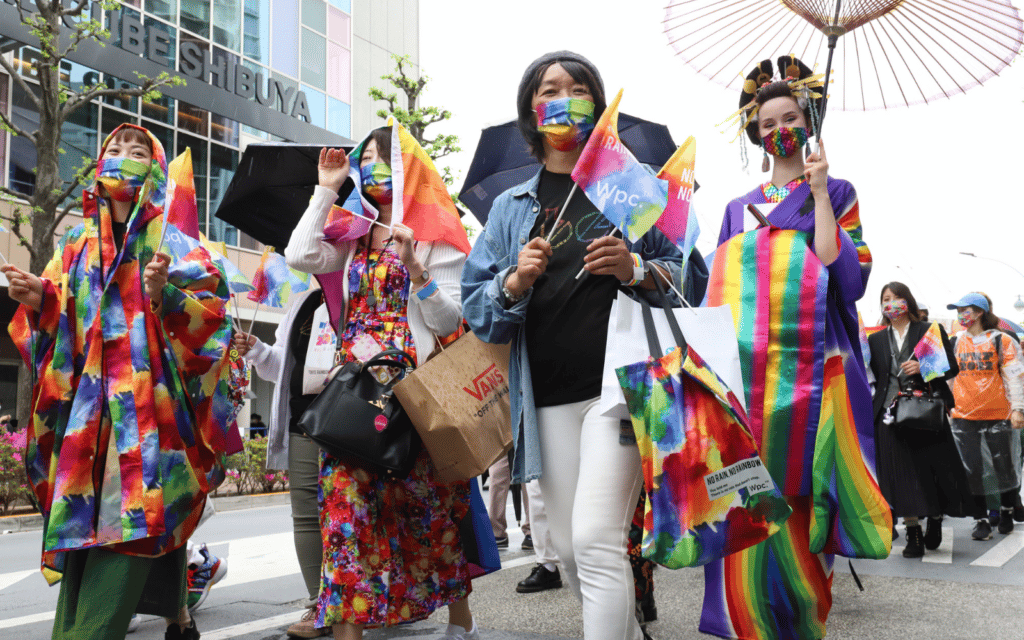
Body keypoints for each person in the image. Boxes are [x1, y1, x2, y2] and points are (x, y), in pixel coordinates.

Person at [461, 51, 707, 640]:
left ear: (597, 107)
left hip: (619, 392)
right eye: (550, 88)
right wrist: (513, 281)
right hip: (543, 398)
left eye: (578, 88)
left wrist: (635, 268)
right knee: (571, 551)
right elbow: (476, 310)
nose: (564, 97)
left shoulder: (630, 191)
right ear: (531, 109)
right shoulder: (508, 208)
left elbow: (690, 281)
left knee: (597, 541)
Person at [1, 123, 234, 640]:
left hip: (150, 412)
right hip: (88, 410)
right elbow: (64, 313)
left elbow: (212, 321)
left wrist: (165, 295)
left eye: (137, 152)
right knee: (99, 520)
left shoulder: (172, 240)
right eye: (114, 149)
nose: (122, 157)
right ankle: (177, 614)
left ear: (153, 170)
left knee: (130, 518)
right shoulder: (76, 244)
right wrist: (39, 298)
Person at [701, 56, 891, 640]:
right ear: (756, 134)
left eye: (790, 117)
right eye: (766, 122)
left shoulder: (837, 190)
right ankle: (743, 620)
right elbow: (716, 293)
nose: (779, 129)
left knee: (807, 489)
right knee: (746, 490)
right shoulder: (738, 207)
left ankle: (805, 619)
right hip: (749, 371)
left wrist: (819, 194)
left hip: (817, 369)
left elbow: (849, 278)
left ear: (809, 122)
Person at [285, 124, 477, 640]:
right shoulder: (353, 231)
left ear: (410, 165)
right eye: (365, 157)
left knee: (426, 510)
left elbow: (446, 320)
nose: (372, 165)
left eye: (383, 155)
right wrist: (327, 188)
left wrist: (417, 266)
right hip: (350, 389)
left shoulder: (438, 234)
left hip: (413, 394)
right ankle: (350, 631)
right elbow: (299, 254)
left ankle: (461, 620)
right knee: (344, 508)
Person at [233, 287, 331, 638]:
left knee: (356, 513)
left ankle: (362, 603)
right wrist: (258, 350)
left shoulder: (361, 283)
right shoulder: (303, 299)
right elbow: (283, 366)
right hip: (303, 420)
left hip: (353, 420)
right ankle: (319, 605)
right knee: (307, 516)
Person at [867, 282, 969, 558]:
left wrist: (924, 368)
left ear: (908, 302)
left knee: (930, 470)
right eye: (886, 299)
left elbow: (951, 367)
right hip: (887, 417)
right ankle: (913, 533)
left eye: (897, 297)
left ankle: (934, 518)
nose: (892, 303)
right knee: (897, 477)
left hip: (924, 413)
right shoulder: (875, 339)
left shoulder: (927, 332)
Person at [947, 292, 1024, 539]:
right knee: (973, 470)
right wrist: (947, 407)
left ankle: (1006, 509)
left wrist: (1017, 409)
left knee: (1004, 466)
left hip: (998, 415)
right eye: (958, 311)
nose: (961, 316)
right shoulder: (956, 341)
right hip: (964, 417)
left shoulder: (1002, 341)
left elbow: (1014, 376)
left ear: (980, 312)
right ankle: (980, 519)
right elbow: (949, 378)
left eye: (965, 310)